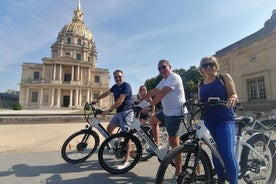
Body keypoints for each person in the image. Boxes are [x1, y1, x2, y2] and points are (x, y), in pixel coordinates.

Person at [140, 59, 186, 181]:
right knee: (153, 120)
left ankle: (178, 172)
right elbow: (154, 91)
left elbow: (162, 94)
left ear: (170, 67)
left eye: (163, 67)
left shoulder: (174, 77)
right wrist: (140, 100)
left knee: (174, 143)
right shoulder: (164, 80)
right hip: (166, 112)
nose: (161, 70)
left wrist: (149, 105)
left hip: (176, 113)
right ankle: (157, 145)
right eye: (159, 68)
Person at [198, 56, 239, 184]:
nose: (208, 67)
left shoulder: (223, 77)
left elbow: (233, 94)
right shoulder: (200, 84)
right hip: (209, 122)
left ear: (216, 65)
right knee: (215, 153)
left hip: (225, 120)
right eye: (205, 65)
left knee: (226, 153)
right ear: (201, 69)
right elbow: (201, 103)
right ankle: (221, 181)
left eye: (211, 64)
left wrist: (232, 98)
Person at [93, 69, 133, 169]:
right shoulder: (115, 86)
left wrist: (109, 110)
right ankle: (117, 145)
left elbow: (121, 100)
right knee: (109, 129)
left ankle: (127, 160)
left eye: (119, 76)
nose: (118, 78)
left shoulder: (126, 86)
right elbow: (106, 93)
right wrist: (97, 99)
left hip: (126, 112)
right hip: (119, 112)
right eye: (115, 77)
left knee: (126, 135)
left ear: (123, 76)